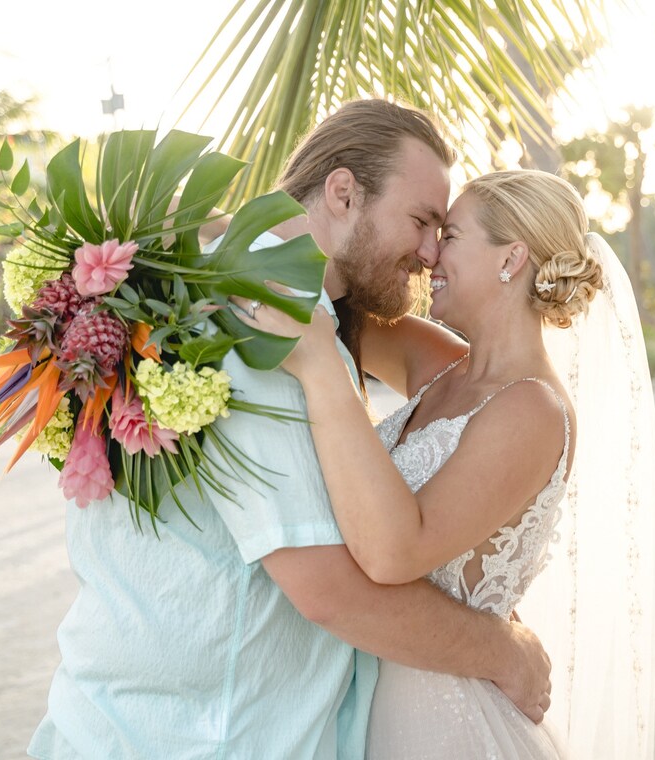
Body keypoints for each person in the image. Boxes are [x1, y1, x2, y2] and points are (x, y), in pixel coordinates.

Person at [28, 100, 553, 760]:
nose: (428, 252)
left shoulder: (193, 282)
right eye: (421, 221)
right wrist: (504, 651)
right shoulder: (272, 325)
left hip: (117, 716)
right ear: (342, 192)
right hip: (213, 736)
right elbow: (330, 592)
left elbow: (477, 382)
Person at [235, 169, 655, 758]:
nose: (430, 254)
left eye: (451, 235)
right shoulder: (444, 363)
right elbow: (327, 297)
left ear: (511, 258)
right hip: (376, 709)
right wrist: (211, 230)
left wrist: (323, 374)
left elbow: (395, 553)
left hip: (447, 721)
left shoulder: (532, 410)